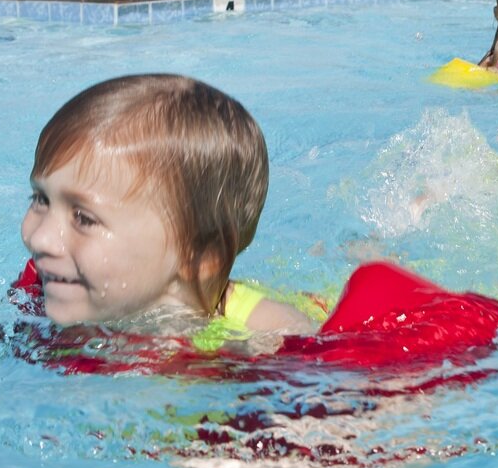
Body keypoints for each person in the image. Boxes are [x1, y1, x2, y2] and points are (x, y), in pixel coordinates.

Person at [19, 74, 318, 340]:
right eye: (41, 199)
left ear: (199, 256)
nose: (39, 238)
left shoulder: (266, 335)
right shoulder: (41, 290)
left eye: (83, 218)